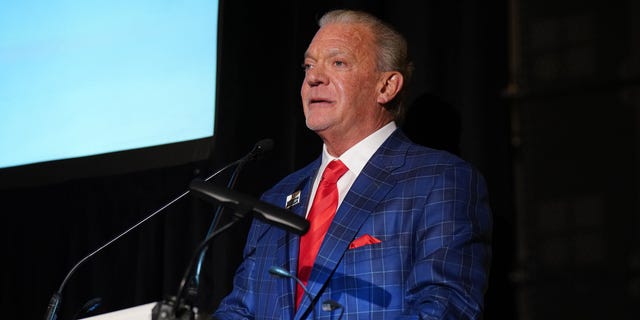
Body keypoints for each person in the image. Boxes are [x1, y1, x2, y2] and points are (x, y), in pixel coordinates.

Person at [213, 9, 492, 319]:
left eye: (338, 63)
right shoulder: (277, 198)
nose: (314, 78)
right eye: (308, 66)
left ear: (386, 87)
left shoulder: (439, 180)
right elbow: (239, 310)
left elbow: (446, 308)